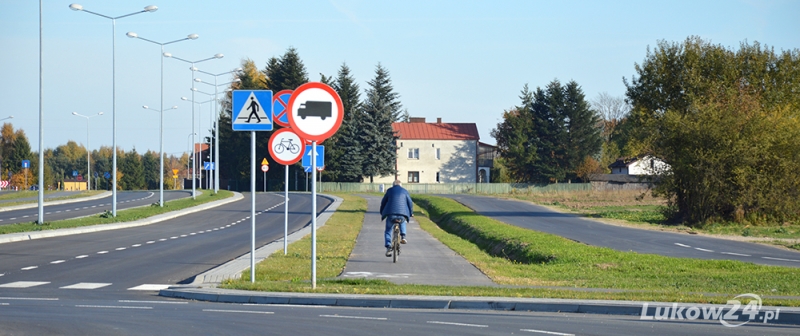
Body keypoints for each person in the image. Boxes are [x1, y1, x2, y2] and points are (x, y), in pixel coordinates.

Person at [379, 180, 413, 257]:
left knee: (388, 230)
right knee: (402, 222)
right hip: (402, 214)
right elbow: (410, 203)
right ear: (401, 185)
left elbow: (383, 202)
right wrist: (411, 213)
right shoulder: (405, 191)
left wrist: (382, 212)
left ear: (393, 185)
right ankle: (403, 236)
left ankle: (388, 246)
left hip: (391, 214)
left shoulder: (389, 191)